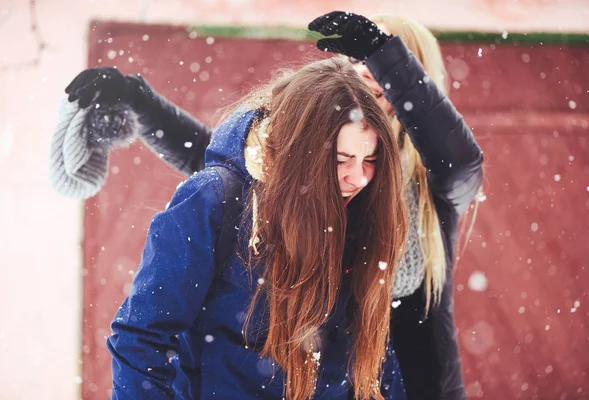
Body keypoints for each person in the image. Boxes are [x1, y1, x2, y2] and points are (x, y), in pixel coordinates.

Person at [59, 11, 484, 400]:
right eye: (361, 62)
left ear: (416, 80)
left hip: (413, 381)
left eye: (387, 68)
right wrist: (142, 103)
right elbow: (231, 169)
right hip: (328, 373)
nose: (371, 75)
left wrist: (386, 56)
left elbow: (463, 161)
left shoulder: (429, 186)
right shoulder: (315, 175)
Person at [107, 57, 408, 399]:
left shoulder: (361, 211)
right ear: (300, 152)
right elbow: (140, 340)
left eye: (369, 160)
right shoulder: (216, 201)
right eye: (340, 160)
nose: (358, 178)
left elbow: (375, 356)